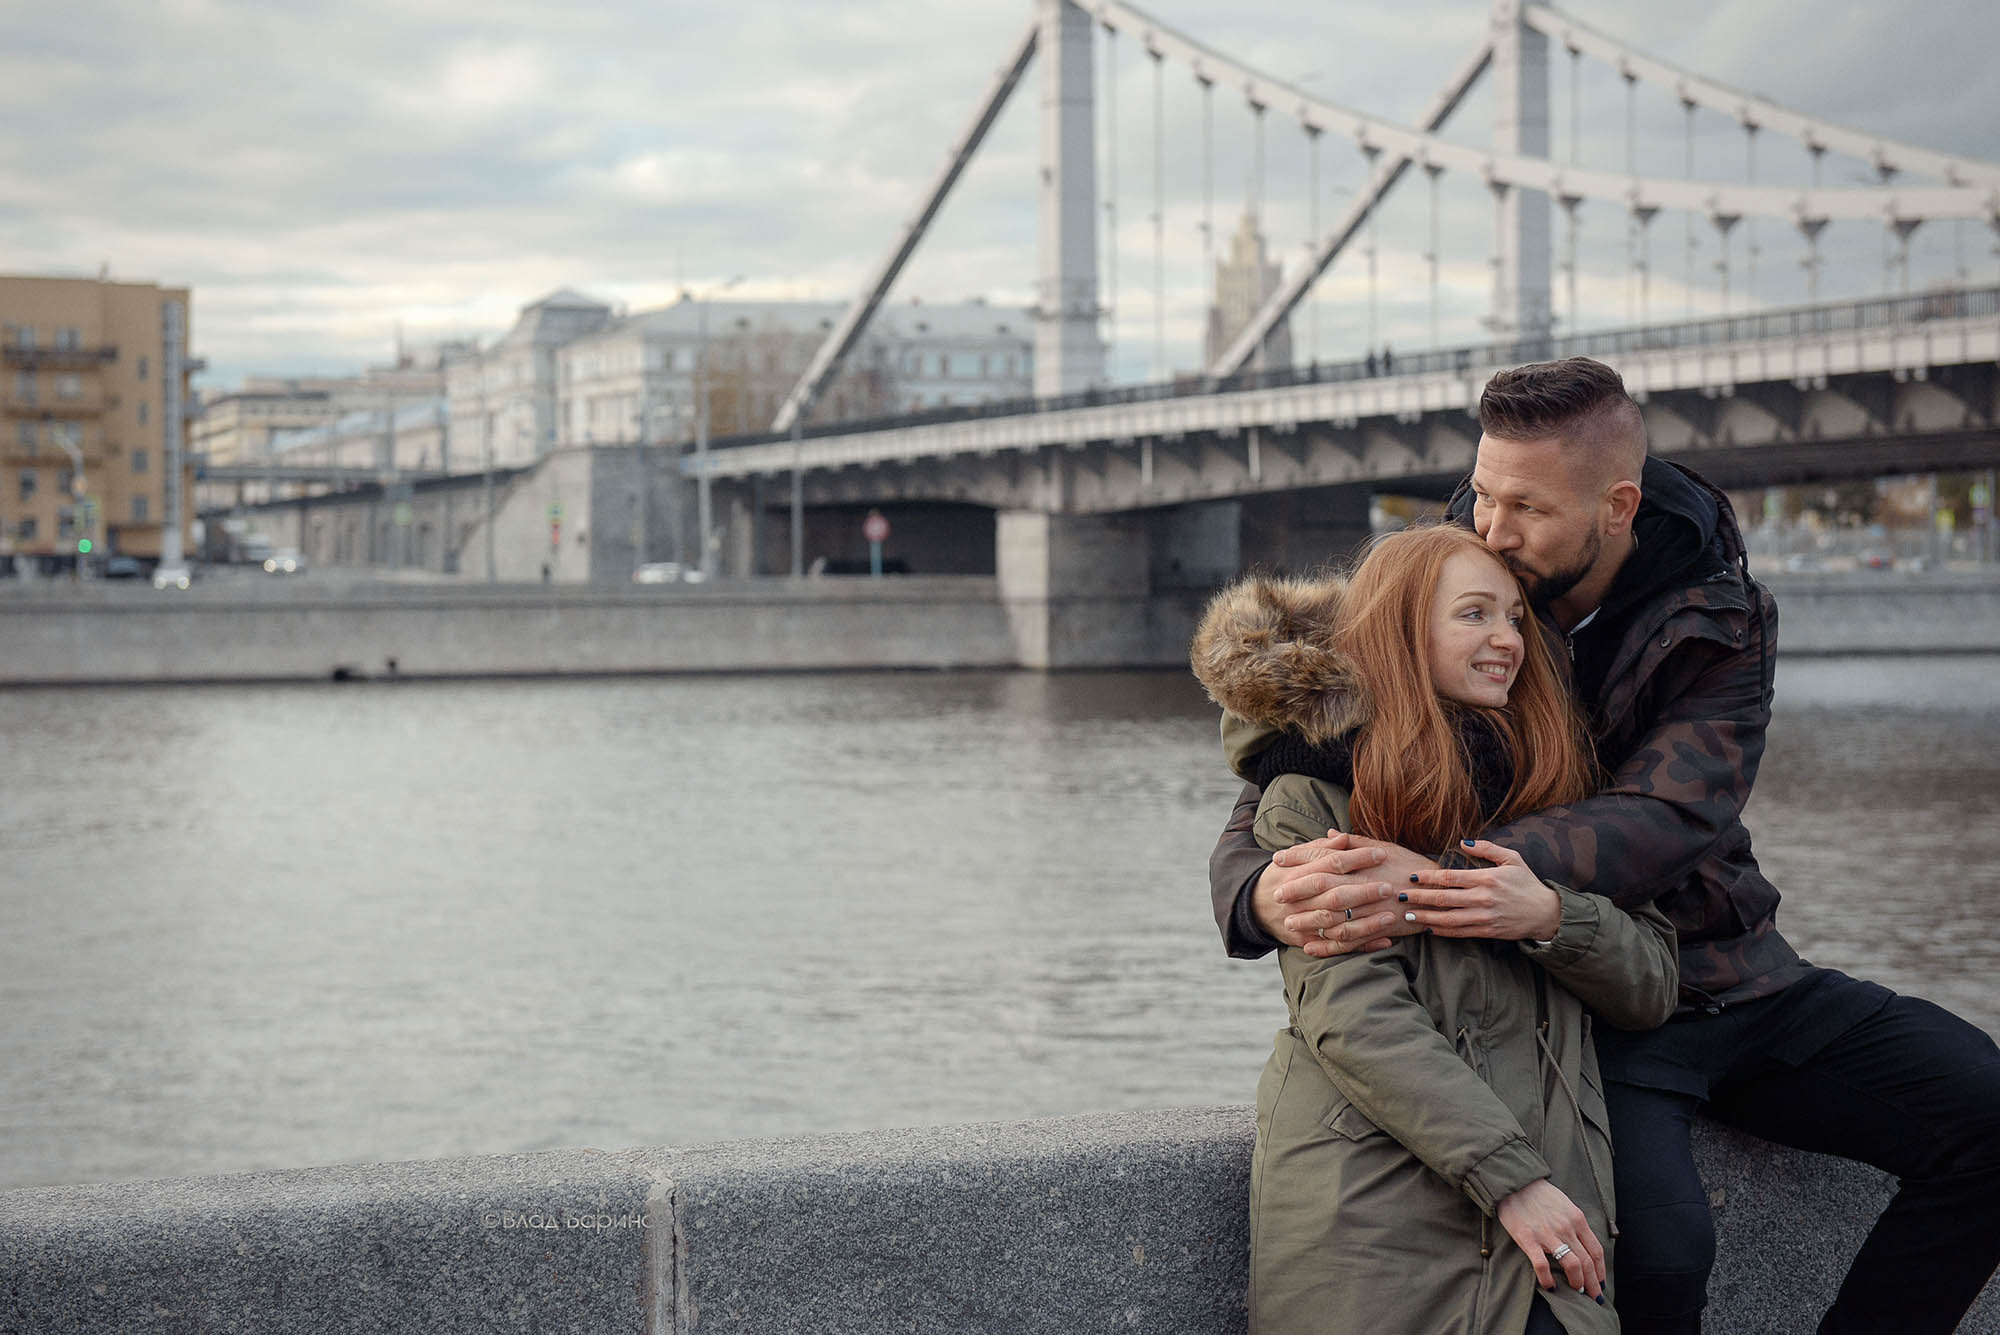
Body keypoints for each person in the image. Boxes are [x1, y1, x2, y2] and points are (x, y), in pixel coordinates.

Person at [1206, 357, 2000, 1334]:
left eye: (1525, 509)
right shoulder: (1456, 570)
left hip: (1713, 966)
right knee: (1660, 1254)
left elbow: (1670, 816)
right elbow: (1300, 753)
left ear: (1615, 505)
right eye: (1481, 494)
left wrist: (1442, 875)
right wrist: (1255, 892)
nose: (1490, 530)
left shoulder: (1717, 614)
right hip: (1580, 1007)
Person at [1191, 523, 1678, 1335]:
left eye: (1516, 619)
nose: (1506, 640)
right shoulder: (1312, 792)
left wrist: (1551, 916)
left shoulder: (1561, 783)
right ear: (1400, 629)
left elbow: (1654, 981)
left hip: (1549, 1204)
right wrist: (1512, 1180)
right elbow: (1356, 1019)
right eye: (1474, 615)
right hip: (1380, 1212)